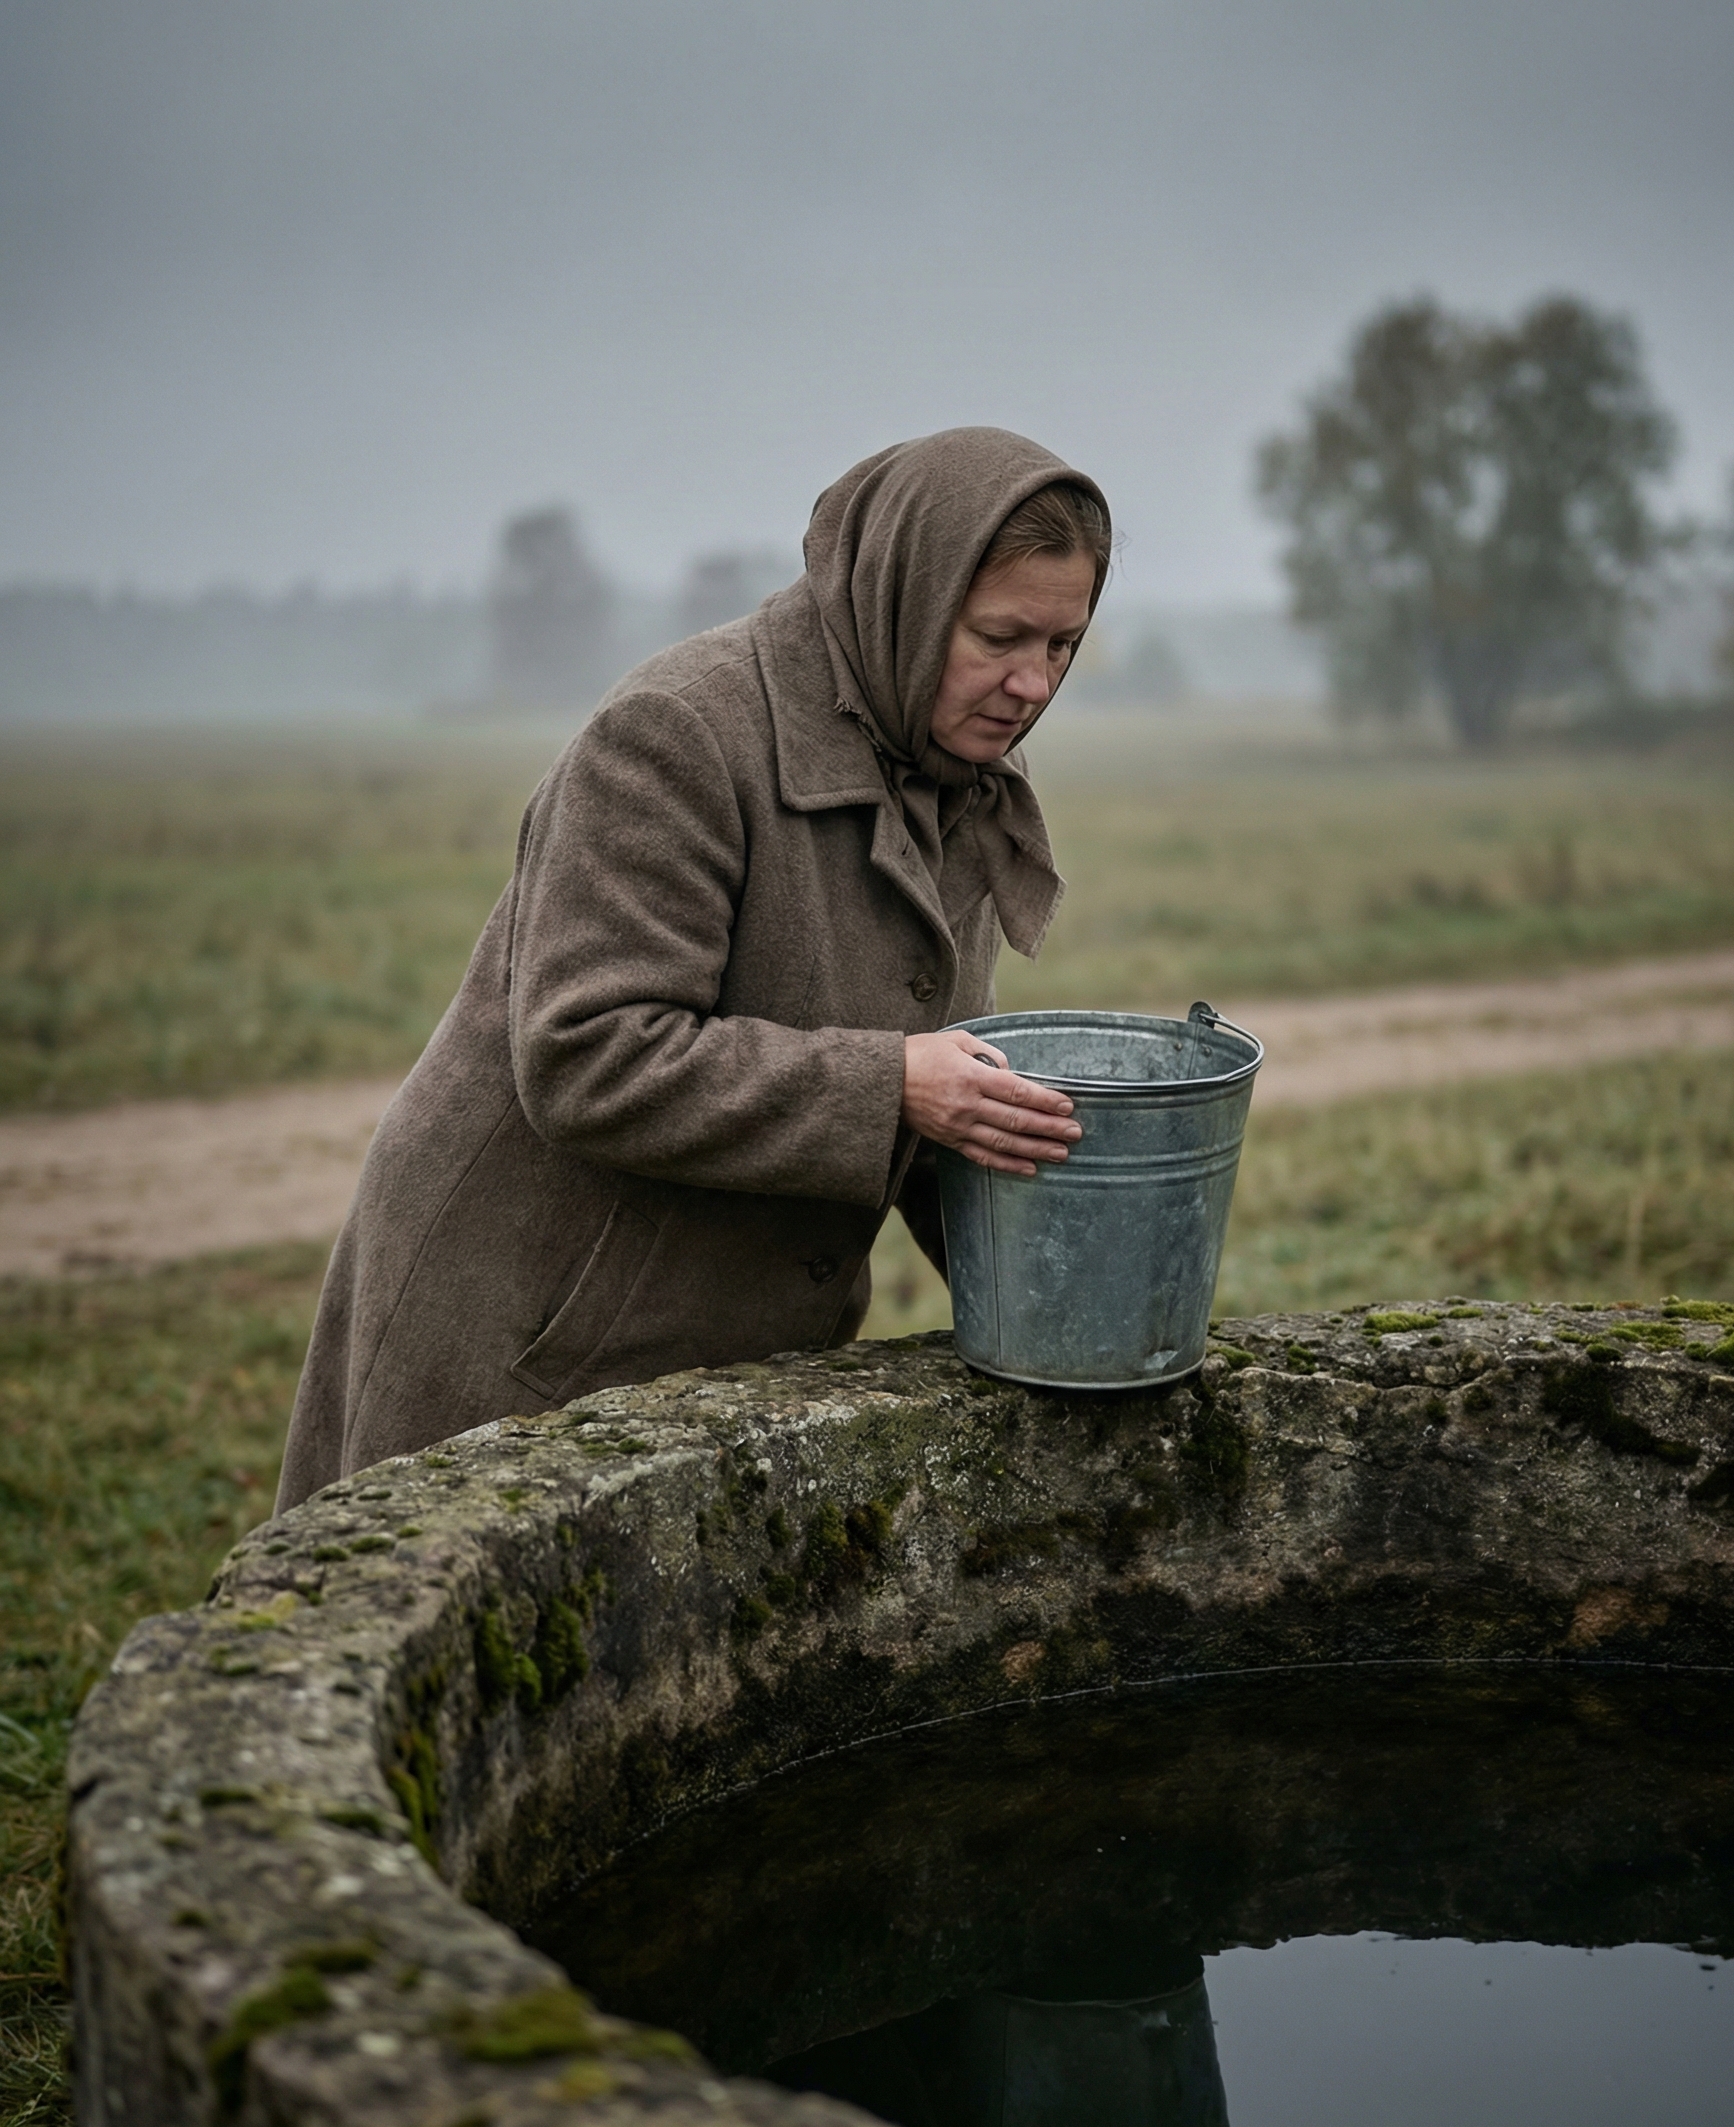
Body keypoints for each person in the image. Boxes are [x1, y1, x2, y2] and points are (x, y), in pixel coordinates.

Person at [276, 427, 1112, 1510]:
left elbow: (928, 1092)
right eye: (998, 636)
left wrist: (1076, 1313)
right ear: (904, 597)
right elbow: (586, 1055)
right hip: (534, 1339)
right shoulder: (677, 735)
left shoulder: (951, 768)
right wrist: (892, 1086)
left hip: (725, 1350)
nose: (1031, 683)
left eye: (1061, 644)